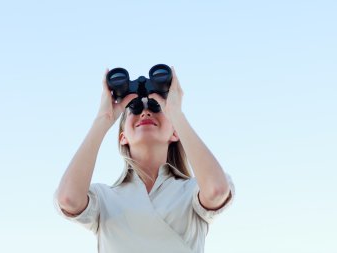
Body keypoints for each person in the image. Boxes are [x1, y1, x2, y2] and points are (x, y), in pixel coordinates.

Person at [54, 66, 235, 253]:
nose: (146, 112)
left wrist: (176, 113)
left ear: (175, 132)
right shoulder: (105, 200)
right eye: (136, 109)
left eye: (156, 108)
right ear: (123, 137)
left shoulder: (191, 192)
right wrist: (103, 119)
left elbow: (217, 190)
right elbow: (68, 199)